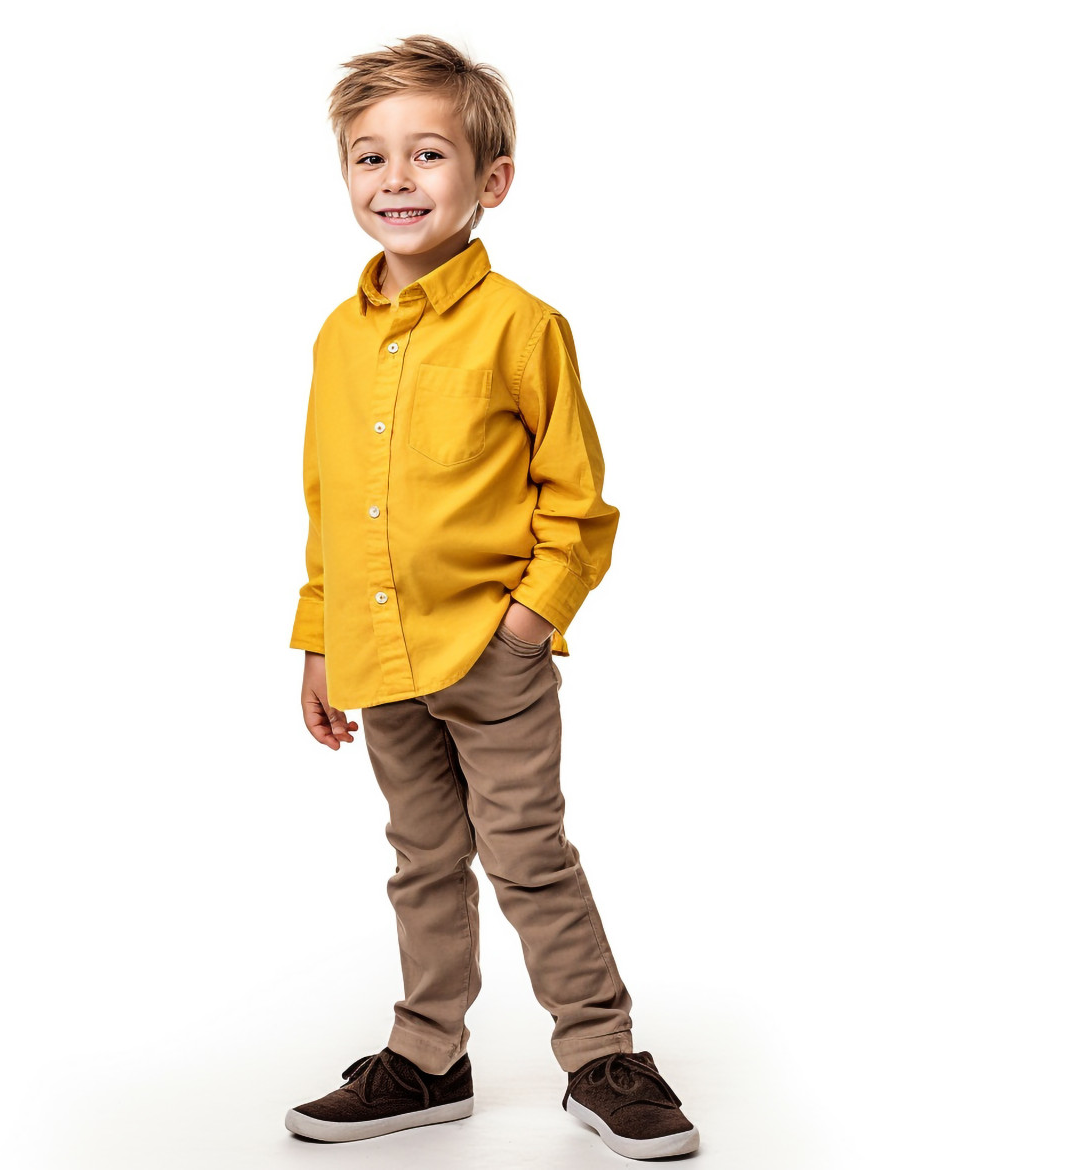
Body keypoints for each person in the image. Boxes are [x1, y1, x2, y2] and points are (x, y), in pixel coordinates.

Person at [282, 34, 700, 1161]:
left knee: (527, 857)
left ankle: (602, 1053)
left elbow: (578, 501)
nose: (395, 181)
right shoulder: (336, 339)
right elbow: (330, 507)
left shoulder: (522, 326)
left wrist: (525, 624)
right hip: (379, 657)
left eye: (426, 155)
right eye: (369, 158)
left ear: (490, 182)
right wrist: (320, 643)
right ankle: (426, 1060)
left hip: (490, 657)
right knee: (419, 860)